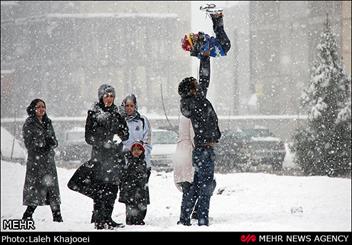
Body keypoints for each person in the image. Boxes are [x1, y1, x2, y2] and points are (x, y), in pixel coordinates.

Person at [177, 11, 230, 226]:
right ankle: (201, 220)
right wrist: (204, 58)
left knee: (196, 186)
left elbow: (203, 81)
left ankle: (187, 219)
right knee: (204, 186)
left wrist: (204, 58)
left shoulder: (192, 102)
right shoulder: (195, 102)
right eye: (195, 86)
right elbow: (204, 80)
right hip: (203, 151)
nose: (199, 86)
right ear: (191, 90)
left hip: (204, 149)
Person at [85, 84, 129, 230]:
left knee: (112, 189)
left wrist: (119, 137)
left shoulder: (118, 113)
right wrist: (102, 142)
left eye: (111, 96)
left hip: (115, 157)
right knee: (99, 189)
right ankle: (99, 219)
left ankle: (108, 218)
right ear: (101, 97)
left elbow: (125, 132)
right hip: (99, 157)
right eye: (106, 96)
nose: (109, 99)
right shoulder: (93, 113)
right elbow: (88, 136)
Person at [22, 98, 63, 223]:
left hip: (49, 162)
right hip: (36, 163)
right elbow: (29, 143)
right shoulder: (29, 123)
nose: (42, 109)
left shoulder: (48, 122)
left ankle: (57, 216)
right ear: (33, 109)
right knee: (36, 189)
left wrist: (52, 143)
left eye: (43, 107)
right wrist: (42, 144)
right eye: (39, 107)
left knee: (52, 190)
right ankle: (28, 215)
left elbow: (55, 141)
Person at [173, 115, 216, 222]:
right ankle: (192, 216)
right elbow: (194, 136)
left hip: (182, 151)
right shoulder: (192, 114)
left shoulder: (184, 114)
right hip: (190, 152)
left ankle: (185, 217)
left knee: (187, 186)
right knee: (193, 187)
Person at [119, 94, 152, 222]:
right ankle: (130, 216)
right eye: (126, 105)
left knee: (141, 191)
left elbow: (147, 140)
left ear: (135, 106)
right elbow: (119, 142)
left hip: (142, 163)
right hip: (127, 164)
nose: (129, 108)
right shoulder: (120, 121)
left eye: (131, 105)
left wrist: (143, 155)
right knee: (129, 192)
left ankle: (140, 216)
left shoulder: (142, 121)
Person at [118, 142, 149, 225]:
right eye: (134, 149)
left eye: (139, 150)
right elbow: (124, 175)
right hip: (130, 189)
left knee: (141, 206)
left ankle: (138, 219)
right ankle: (131, 220)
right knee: (130, 206)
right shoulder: (128, 161)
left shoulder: (143, 162)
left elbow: (144, 176)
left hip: (140, 189)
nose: (136, 151)